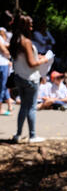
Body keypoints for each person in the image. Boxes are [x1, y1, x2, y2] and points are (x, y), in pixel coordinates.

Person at [9, 14, 49, 143]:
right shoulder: (26, 42)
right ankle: (32, 136)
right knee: (31, 107)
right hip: (30, 78)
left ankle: (18, 134)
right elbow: (32, 63)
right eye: (30, 24)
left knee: (23, 107)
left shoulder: (15, 40)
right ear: (25, 25)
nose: (32, 27)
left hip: (19, 77)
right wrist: (44, 59)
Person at [0, 34, 12, 115]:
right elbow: (5, 51)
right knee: (2, 86)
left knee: (3, 86)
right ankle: (0, 109)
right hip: (2, 64)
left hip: (3, 63)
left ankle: (9, 105)